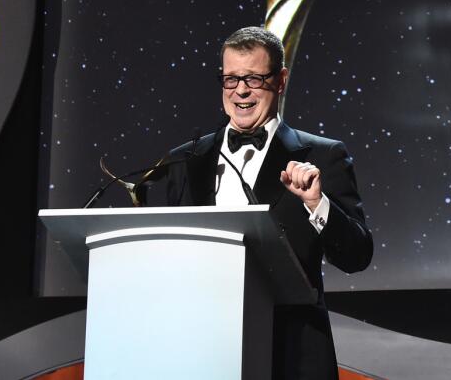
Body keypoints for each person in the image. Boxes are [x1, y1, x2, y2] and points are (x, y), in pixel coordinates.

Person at [146, 25, 372, 380]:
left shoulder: (323, 155)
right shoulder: (184, 160)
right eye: (231, 79)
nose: (241, 92)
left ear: (280, 80)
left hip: (290, 356)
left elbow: (357, 255)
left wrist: (317, 203)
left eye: (253, 78)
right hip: (201, 352)